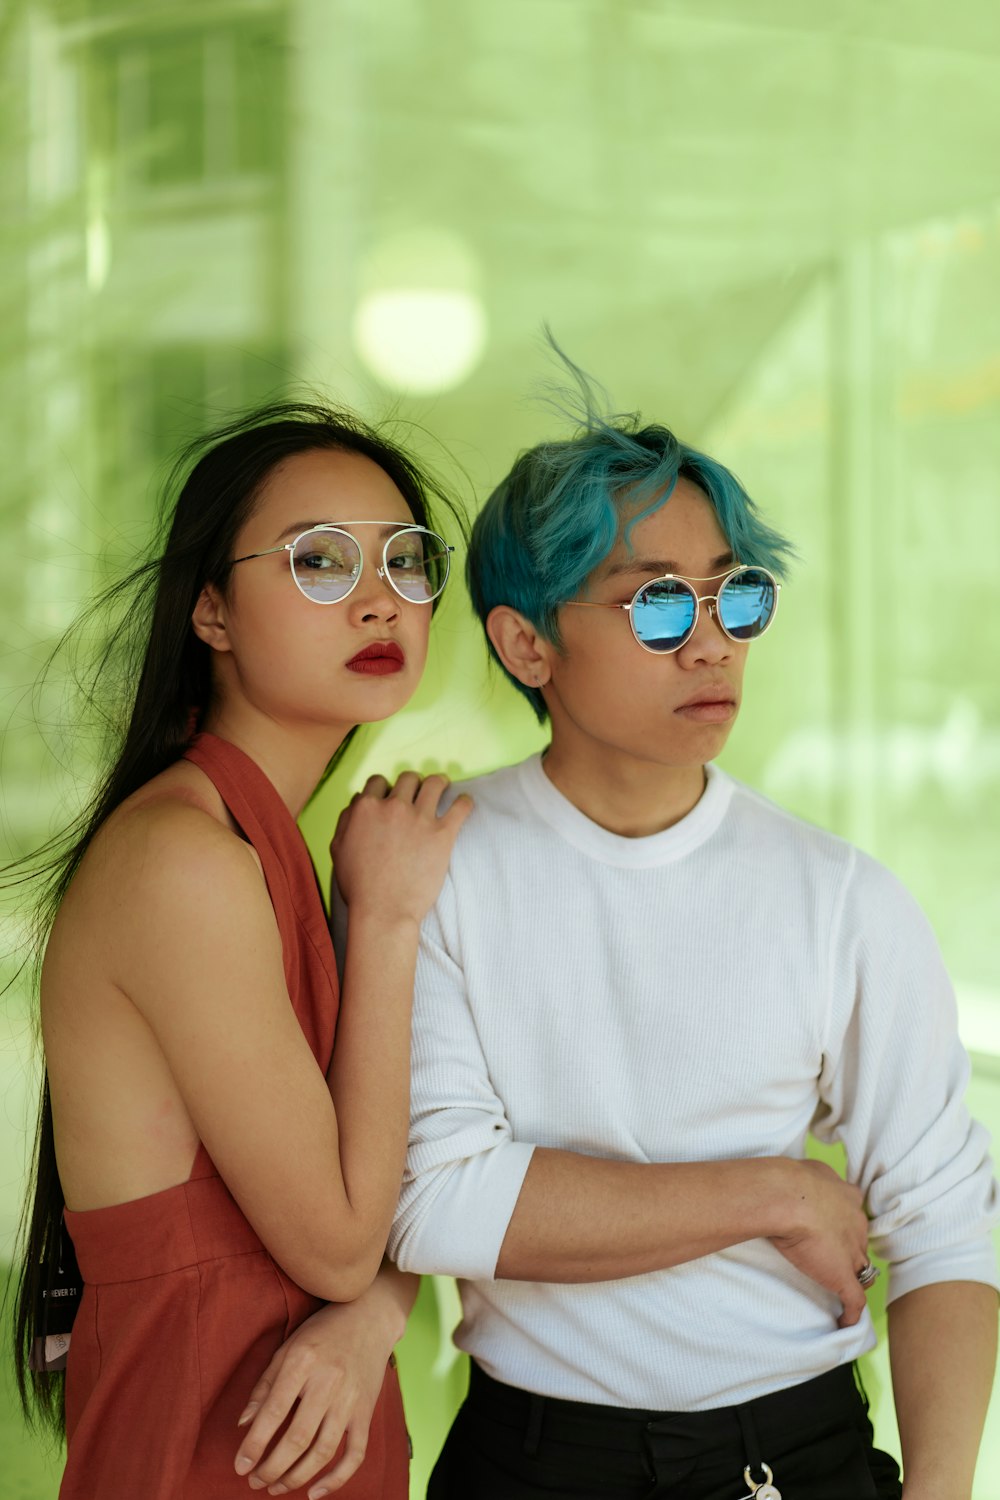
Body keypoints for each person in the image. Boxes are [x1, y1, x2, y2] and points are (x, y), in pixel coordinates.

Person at [386, 363, 1000, 1499]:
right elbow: (437, 1201)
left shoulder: (838, 897)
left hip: (795, 1453)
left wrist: (941, 1491)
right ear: (527, 647)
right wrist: (778, 1192)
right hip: (534, 1462)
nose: (713, 642)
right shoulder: (436, 869)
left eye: (735, 594)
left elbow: (944, 1232)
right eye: (659, 603)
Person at [11, 402, 472, 1499]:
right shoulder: (187, 860)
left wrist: (368, 1320)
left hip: (274, 1440)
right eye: (319, 560)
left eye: (408, 562)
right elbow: (339, 1242)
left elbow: (365, 1220)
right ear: (210, 610)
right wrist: (393, 923)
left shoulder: (261, 845)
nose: (378, 598)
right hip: (211, 1456)